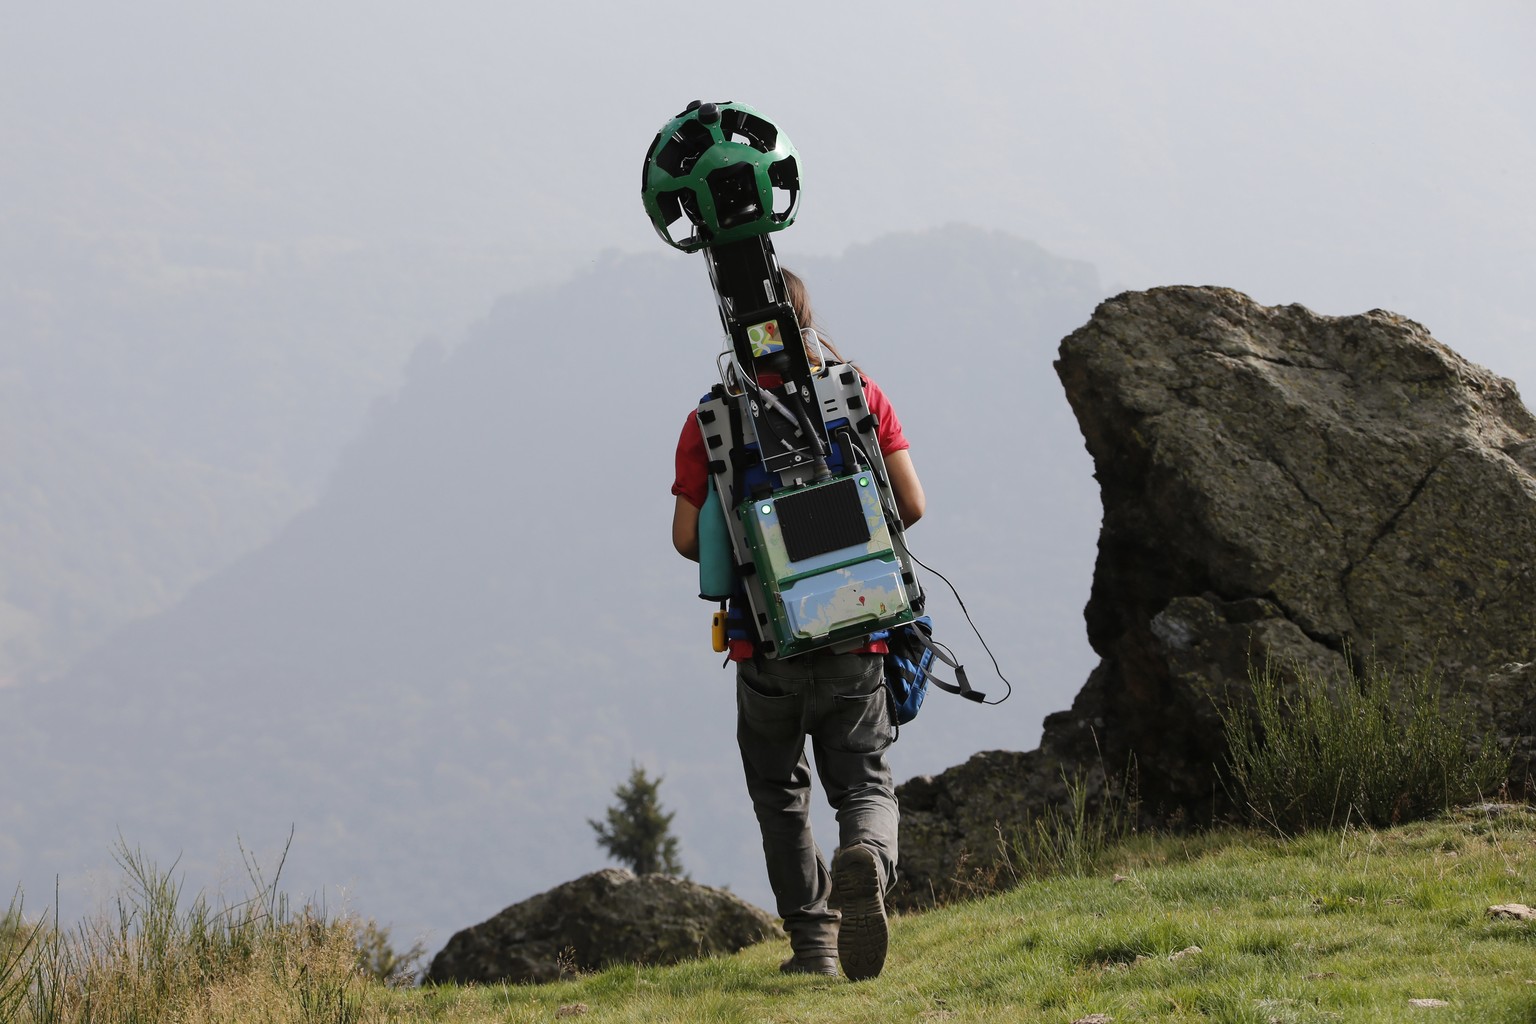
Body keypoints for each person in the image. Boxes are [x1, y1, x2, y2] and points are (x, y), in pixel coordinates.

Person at [669, 269, 926, 981]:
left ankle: (814, 947)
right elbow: (912, 503)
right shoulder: (858, 396)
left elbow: (688, 540)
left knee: (780, 794)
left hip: (765, 645)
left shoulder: (712, 417)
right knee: (865, 785)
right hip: (856, 635)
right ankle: (867, 861)